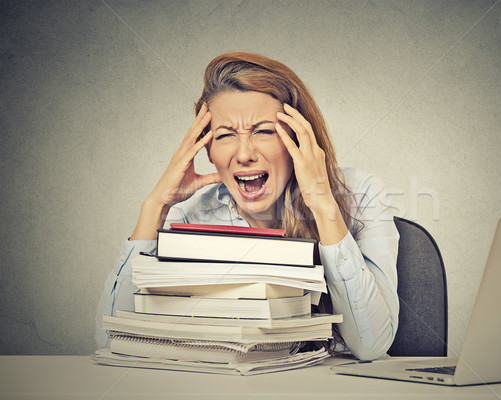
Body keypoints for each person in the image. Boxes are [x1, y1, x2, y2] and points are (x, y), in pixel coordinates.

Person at [96, 52, 399, 361]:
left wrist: (323, 204)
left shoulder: (362, 195)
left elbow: (370, 344)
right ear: (209, 152)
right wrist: (155, 206)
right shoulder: (188, 217)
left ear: (298, 140)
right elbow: (109, 341)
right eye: (225, 135)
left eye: (264, 131)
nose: (244, 155)